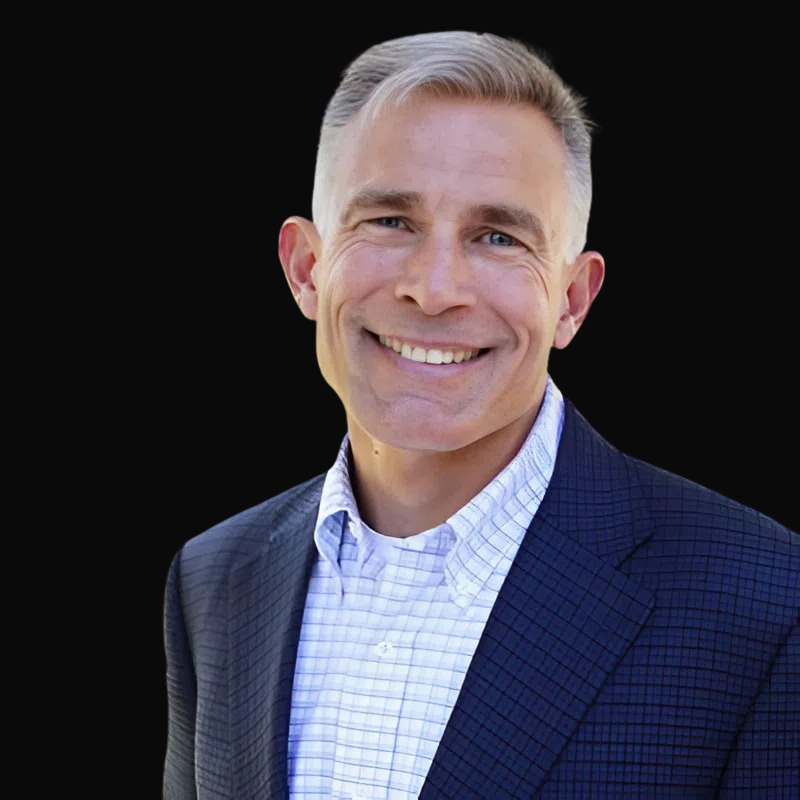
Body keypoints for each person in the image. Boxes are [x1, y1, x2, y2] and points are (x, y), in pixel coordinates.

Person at [162, 30, 799, 799]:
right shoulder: (214, 578)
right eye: (390, 221)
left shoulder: (767, 606)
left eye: (498, 237)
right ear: (306, 268)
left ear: (572, 300)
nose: (434, 290)